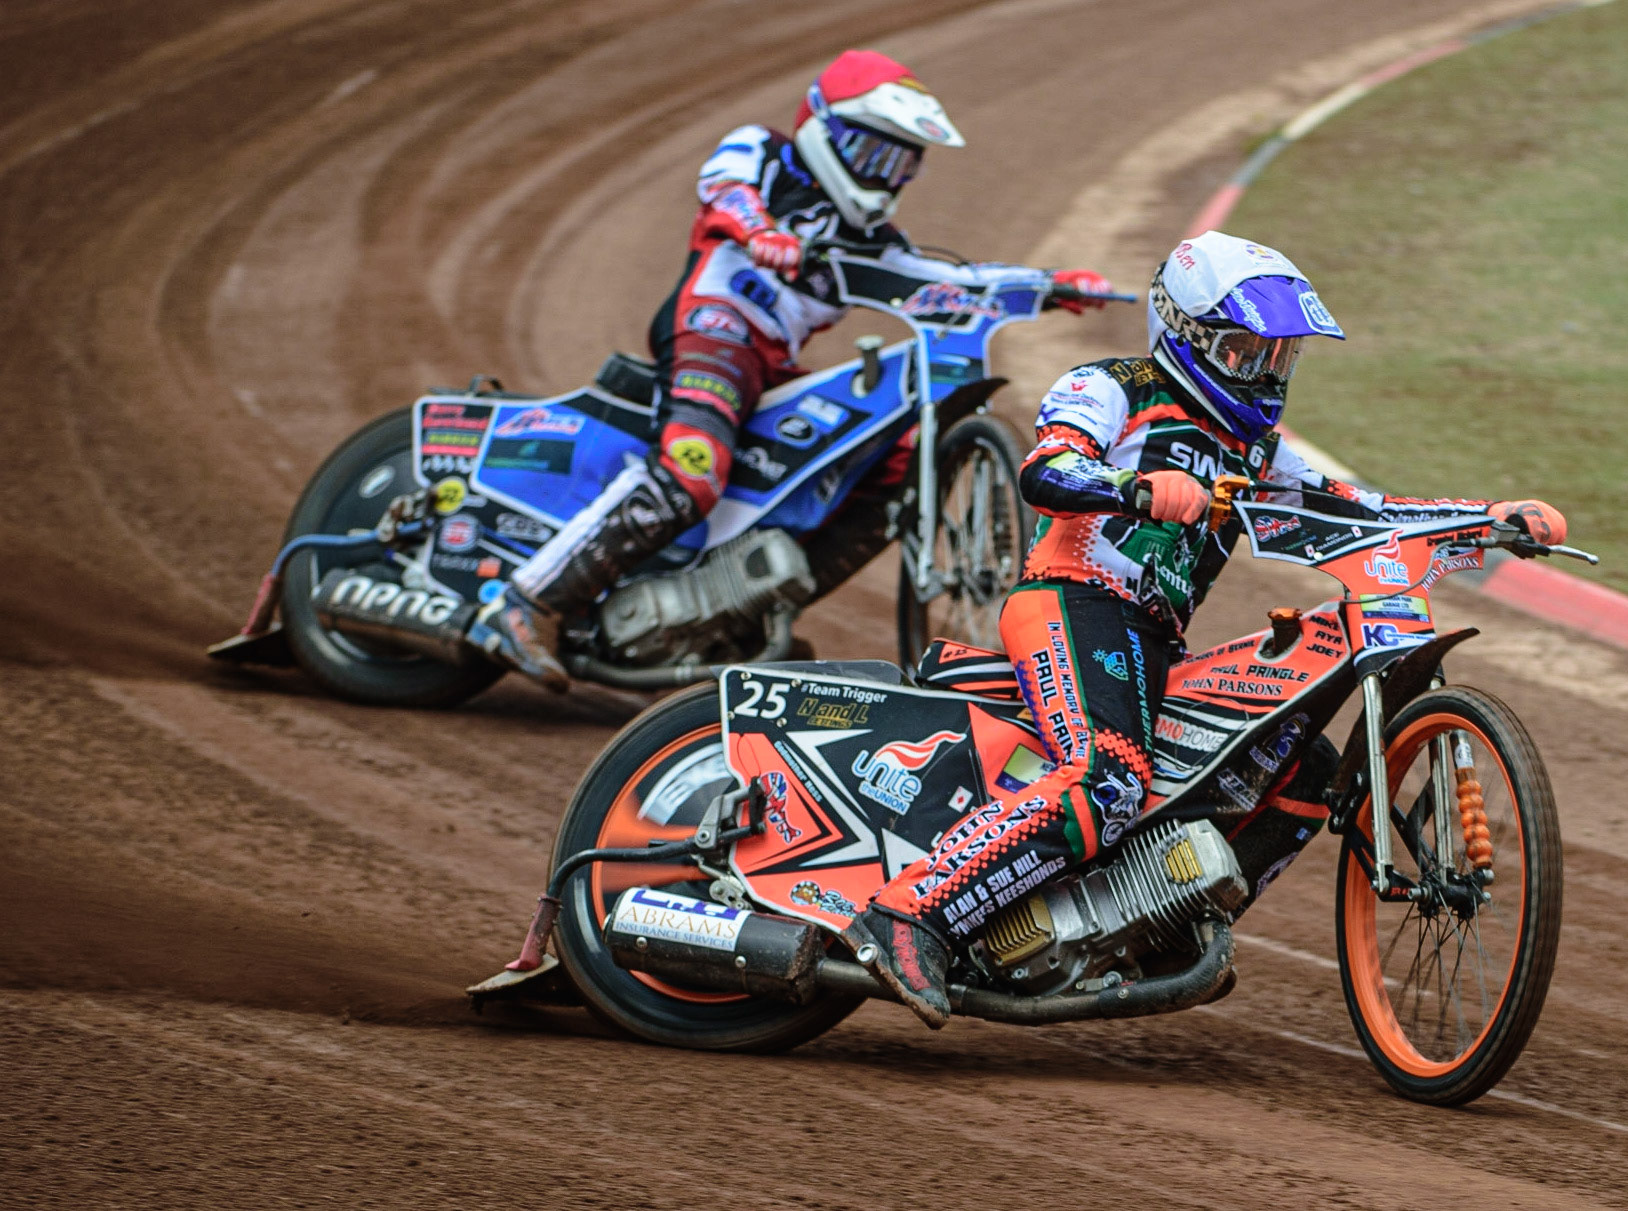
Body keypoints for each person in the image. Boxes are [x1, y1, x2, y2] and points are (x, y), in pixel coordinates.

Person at [842, 229, 1568, 1027]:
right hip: (1070, 598)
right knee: (1105, 778)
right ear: (1191, 338)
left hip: (1151, 641)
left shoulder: (1257, 451)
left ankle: (1157, 924)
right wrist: (1136, 488)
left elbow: (1363, 511)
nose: (1268, 372)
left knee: (1303, 764)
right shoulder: (1113, 386)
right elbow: (1047, 468)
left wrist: (1486, 519)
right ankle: (908, 916)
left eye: (1280, 356)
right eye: (1249, 352)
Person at [466, 49, 1112, 689]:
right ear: (826, 130)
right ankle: (526, 603)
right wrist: (757, 231)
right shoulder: (762, 153)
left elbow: (947, 281)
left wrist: (1048, 284)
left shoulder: (874, 242)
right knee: (694, 468)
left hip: (771, 363)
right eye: (875, 155)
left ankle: (736, 613)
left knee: (889, 467)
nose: (887, 178)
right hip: (713, 329)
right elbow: (723, 191)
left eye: (902, 163)